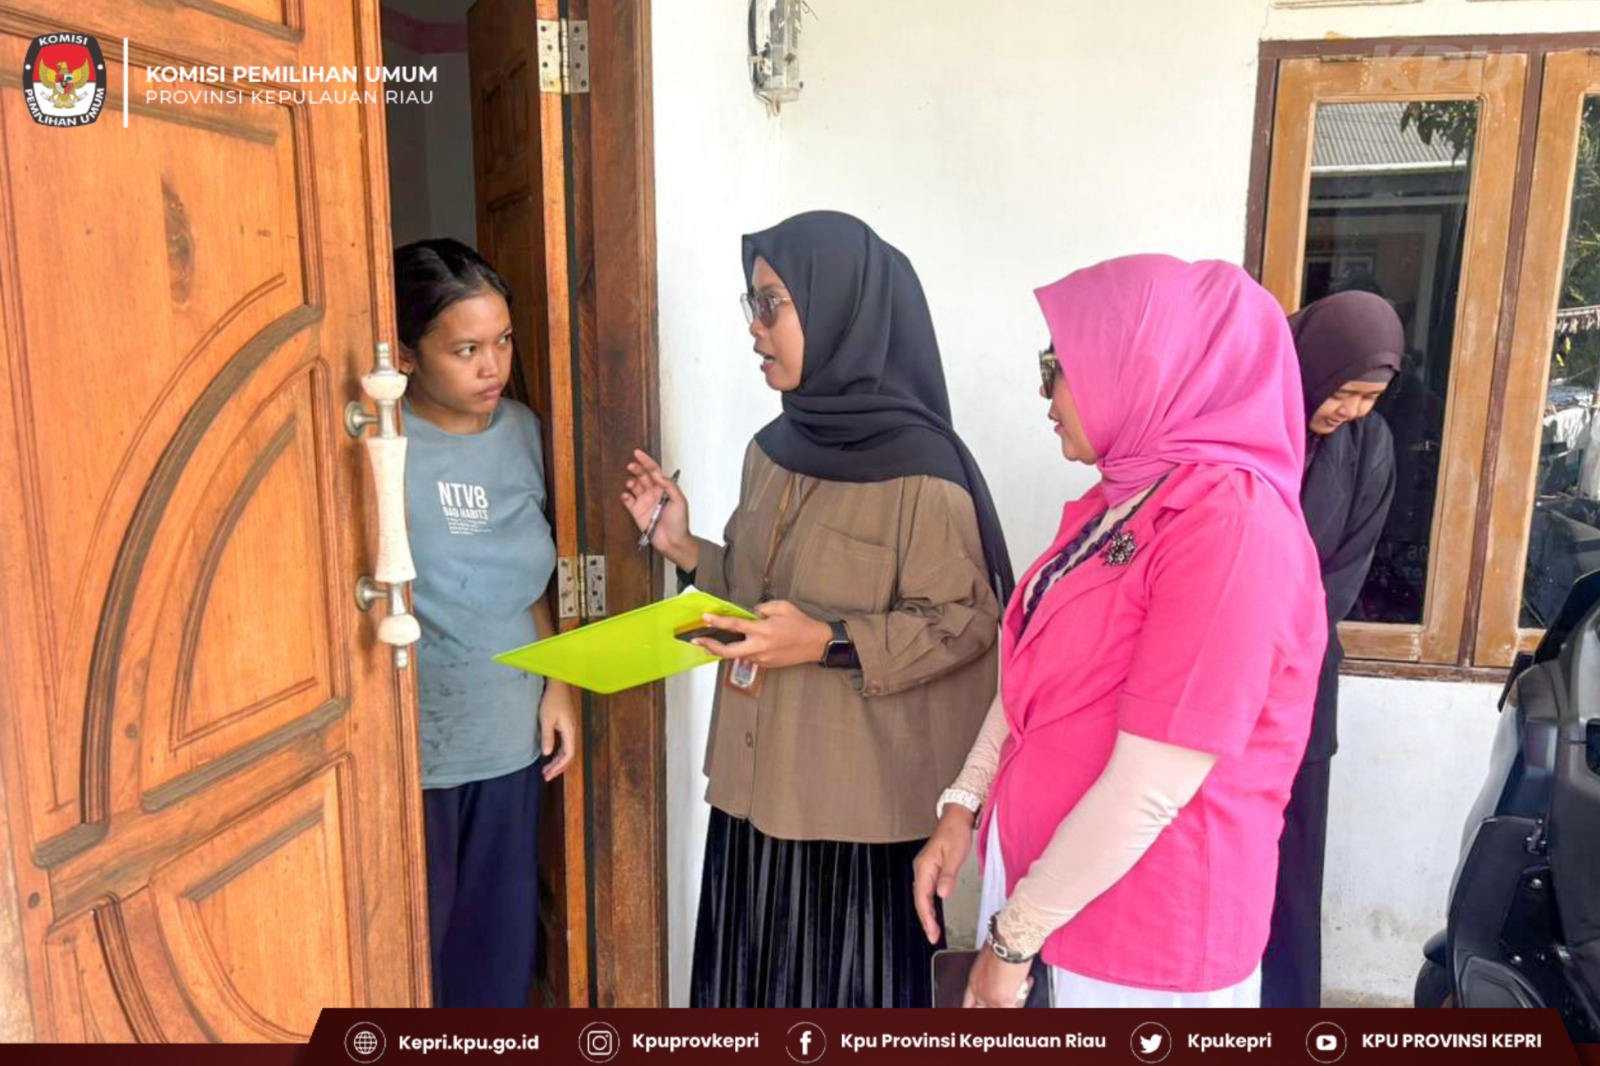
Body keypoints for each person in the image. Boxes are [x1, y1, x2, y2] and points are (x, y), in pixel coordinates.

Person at [620, 211, 1013, 1008]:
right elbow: (759, 591)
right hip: (754, 789)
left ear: (840, 309)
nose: (755, 327)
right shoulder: (772, 450)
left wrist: (829, 641)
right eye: (753, 304)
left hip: (857, 820)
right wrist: (685, 547)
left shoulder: (924, 473)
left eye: (773, 304)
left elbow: (965, 622)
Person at [913, 254, 1327, 1009]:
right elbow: (1030, 679)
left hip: (1143, 942)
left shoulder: (1232, 527)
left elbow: (1151, 786)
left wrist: (1010, 941)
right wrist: (964, 803)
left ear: (1145, 368)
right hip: (1046, 900)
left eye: (1060, 368)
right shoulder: (1118, 503)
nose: (1046, 396)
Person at [394, 238, 580, 1007]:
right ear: (407, 355)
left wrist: (560, 682)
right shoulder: (378, 445)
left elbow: (536, 577)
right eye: (466, 349)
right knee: (411, 970)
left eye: (502, 341)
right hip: (413, 753)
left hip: (509, 740)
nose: (492, 367)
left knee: (496, 968)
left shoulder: (527, 433)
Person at [1261, 290, 1402, 1008]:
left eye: (1370, 398)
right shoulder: (1245, 423)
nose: (1351, 409)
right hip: (1214, 672)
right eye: (1343, 390)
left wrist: (1277, 649)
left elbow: (1342, 573)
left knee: (1292, 866)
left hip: (1302, 677)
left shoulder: (1370, 447)